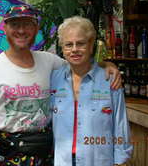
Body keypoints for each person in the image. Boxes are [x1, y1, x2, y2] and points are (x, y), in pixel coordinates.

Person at [0, 5, 122, 166]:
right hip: (10, 153)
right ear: (5, 28)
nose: (21, 31)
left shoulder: (50, 62)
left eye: (27, 24)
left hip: (48, 152)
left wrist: (106, 64)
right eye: (14, 25)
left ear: (36, 28)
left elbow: (80, 65)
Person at [51, 16, 133, 166]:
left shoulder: (109, 79)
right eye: (69, 44)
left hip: (98, 160)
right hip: (63, 161)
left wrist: (120, 161)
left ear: (91, 45)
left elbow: (120, 123)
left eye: (81, 43)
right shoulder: (54, 78)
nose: (74, 49)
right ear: (62, 49)